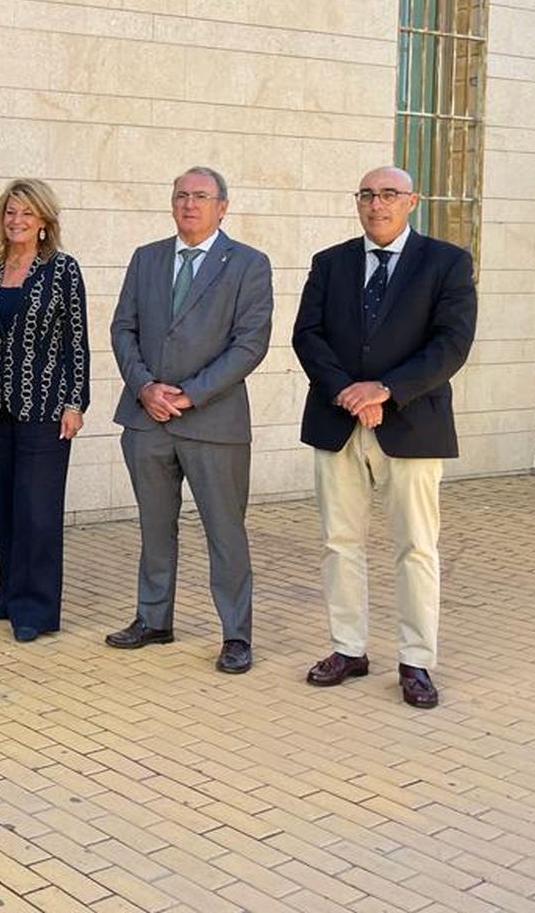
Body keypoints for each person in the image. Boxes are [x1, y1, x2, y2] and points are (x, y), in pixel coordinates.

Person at [292, 166, 476, 709]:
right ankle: (348, 649)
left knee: (416, 546)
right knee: (339, 542)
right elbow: (307, 335)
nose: (378, 204)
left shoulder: (446, 262)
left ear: (412, 201)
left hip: (413, 425)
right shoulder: (330, 263)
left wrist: (385, 390)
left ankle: (416, 661)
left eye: (389, 194)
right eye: (368, 194)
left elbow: (452, 344)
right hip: (338, 420)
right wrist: (349, 391)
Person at [107, 166, 273, 674]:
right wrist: (144, 387)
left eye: (201, 196)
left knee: (225, 533)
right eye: (180, 195)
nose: (189, 204)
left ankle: (236, 635)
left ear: (223, 206)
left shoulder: (248, 264)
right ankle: (154, 619)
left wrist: (190, 394)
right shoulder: (146, 258)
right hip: (146, 418)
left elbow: (250, 344)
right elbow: (123, 328)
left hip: (213, 422)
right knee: (155, 527)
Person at [0, 180, 90, 642]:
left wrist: (76, 403)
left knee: (38, 510)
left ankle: (37, 609)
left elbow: (77, 341)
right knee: (5, 506)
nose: (17, 221)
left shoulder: (63, 271)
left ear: (44, 222)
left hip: (46, 408)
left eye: (26, 214)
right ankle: (10, 594)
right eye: (11, 212)